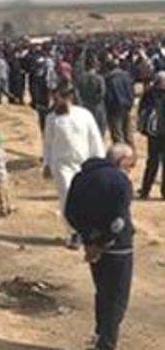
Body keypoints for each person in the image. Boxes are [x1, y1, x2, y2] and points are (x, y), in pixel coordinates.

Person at [65, 143, 136, 350]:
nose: (131, 169)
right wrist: (104, 242)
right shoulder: (120, 181)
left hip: (92, 246)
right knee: (117, 299)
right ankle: (106, 343)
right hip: (118, 247)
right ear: (121, 161)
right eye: (130, 165)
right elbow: (118, 221)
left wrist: (90, 240)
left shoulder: (81, 178)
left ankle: (99, 334)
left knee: (103, 292)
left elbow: (71, 213)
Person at [42, 85, 105, 246]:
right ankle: (73, 233)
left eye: (58, 98)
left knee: (86, 197)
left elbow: (95, 139)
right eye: (54, 98)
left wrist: (100, 162)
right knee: (67, 197)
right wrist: (46, 163)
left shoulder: (84, 115)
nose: (55, 102)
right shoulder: (51, 119)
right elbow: (48, 143)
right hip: (62, 165)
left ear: (68, 97)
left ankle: (88, 230)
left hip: (84, 164)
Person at [137, 72, 165, 199]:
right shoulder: (149, 94)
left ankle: (145, 190)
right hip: (156, 133)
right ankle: (147, 190)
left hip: (153, 133)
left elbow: (141, 111)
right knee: (153, 162)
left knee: (152, 162)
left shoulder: (149, 93)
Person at [104, 60, 135, 145]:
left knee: (117, 134)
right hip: (126, 106)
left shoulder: (108, 79)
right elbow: (131, 91)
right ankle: (131, 151)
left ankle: (121, 151)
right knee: (128, 133)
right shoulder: (126, 76)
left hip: (114, 108)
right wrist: (130, 103)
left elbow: (108, 96)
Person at [76, 62, 108, 137]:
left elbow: (77, 93)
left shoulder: (80, 78)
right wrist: (96, 101)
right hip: (97, 106)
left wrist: (81, 102)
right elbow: (102, 93)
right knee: (99, 128)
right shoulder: (99, 78)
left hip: (84, 106)